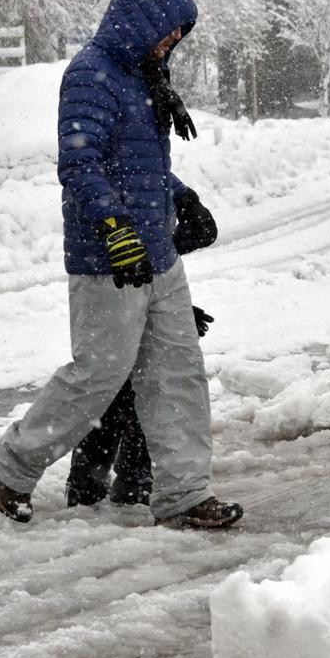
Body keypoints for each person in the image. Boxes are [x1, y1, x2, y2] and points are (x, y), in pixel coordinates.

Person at [0, 0, 243, 530]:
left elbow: (139, 168)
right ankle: (11, 463)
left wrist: (182, 196)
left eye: (179, 35)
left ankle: (184, 495)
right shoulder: (91, 75)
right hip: (109, 260)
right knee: (97, 377)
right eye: (168, 31)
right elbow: (80, 165)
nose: (172, 42)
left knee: (178, 375)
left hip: (158, 256)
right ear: (141, 21)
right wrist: (116, 229)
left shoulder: (144, 78)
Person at [65, 208, 218, 508]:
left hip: (144, 278)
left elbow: (203, 228)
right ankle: (92, 481)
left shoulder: (156, 185)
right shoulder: (113, 188)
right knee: (114, 384)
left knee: (152, 383)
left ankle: (128, 478)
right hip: (112, 281)